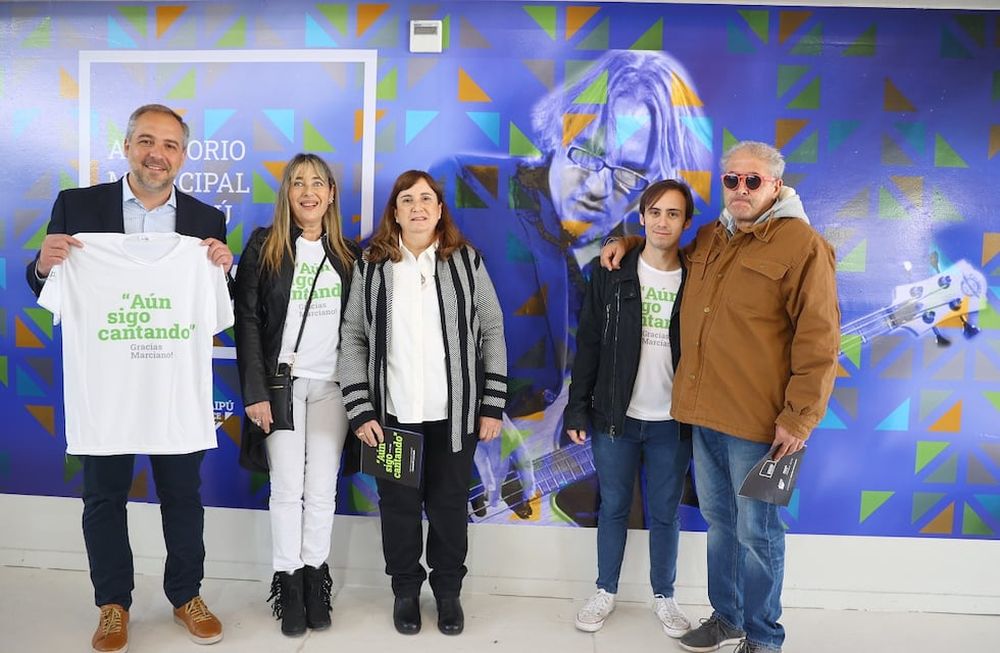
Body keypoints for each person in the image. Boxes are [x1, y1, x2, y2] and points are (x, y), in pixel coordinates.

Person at [432, 49, 709, 523]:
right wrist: (480, 413)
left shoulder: (618, 262)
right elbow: (399, 306)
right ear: (561, 131)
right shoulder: (466, 186)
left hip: (539, 499)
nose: (601, 185)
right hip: (444, 458)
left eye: (629, 174)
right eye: (590, 152)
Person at [601, 142, 840, 653]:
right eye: (732, 180)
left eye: (753, 181)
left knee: (758, 532)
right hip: (703, 416)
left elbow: (819, 343)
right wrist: (624, 238)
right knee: (720, 525)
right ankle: (727, 617)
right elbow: (661, 248)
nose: (741, 190)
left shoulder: (803, 246)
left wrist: (798, 420)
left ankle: (763, 636)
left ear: (776, 185)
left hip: (761, 426)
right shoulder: (711, 236)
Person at [25, 104, 232, 653]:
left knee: (184, 496)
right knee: (103, 496)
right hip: (108, 388)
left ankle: (186, 594)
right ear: (127, 146)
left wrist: (221, 269)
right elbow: (47, 287)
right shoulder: (77, 205)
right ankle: (112, 604)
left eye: (168, 145)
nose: (156, 154)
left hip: (172, 390)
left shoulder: (206, 223)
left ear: (183, 156)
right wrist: (43, 264)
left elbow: (217, 306)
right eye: (146, 141)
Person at [338, 170, 507, 636]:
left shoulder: (466, 262)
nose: (417, 207)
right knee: (399, 510)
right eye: (407, 199)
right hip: (391, 419)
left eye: (426, 199)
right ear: (395, 210)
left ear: (438, 210)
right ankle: (406, 592)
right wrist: (361, 409)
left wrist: (491, 405)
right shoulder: (371, 265)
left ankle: (448, 593)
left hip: (454, 419)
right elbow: (353, 337)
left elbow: (491, 330)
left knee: (451, 508)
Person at [233, 153, 360, 636]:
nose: (308, 191)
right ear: (287, 193)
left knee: (322, 490)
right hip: (280, 389)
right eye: (298, 183)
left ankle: (315, 579)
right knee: (286, 490)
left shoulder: (349, 255)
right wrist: (255, 391)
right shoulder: (264, 246)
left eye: (318, 183)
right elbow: (246, 322)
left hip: (332, 390)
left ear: (330, 194)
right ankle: (287, 582)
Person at [564, 179, 694, 636]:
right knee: (614, 506)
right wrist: (577, 408)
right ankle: (605, 590)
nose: (663, 221)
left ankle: (665, 596)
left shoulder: (698, 275)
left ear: (686, 222)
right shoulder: (612, 271)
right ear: (641, 217)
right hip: (616, 417)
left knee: (665, 513)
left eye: (673, 213)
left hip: (672, 422)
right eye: (654, 212)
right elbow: (590, 344)